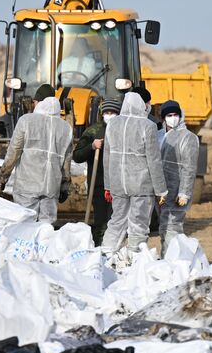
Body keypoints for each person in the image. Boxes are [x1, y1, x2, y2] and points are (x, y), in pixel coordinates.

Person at [102, 91, 167, 251]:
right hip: (141, 185)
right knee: (138, 223)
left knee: (117, 221)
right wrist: (161, 190)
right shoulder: (148, 126)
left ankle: (106, 253)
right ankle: (134, 257)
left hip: (118, 183)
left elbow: (107, 157)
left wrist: (108, 185)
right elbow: (154, 160)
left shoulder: (112, 124)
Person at [0, 93, 73, 222]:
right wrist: (65, 186)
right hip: (51, 187)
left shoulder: (26, 121)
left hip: (27, 186)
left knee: (25, 226)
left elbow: (14, 151)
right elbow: (66, 162)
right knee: (46, 229)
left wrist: (3, 176)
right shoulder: (66, 129)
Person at [74, 98, 117, 244]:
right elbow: (77, 156)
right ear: (102, 114)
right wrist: (91, 147)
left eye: (113, 112)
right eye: (107, 112)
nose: (109, 115)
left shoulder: (123, 130)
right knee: (100, 221)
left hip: (119, 185)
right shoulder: (93, 131)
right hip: (98, 184)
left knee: (116, 222)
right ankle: (99, 247)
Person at [158, 100, 199, 253]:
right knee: (164, 227)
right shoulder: (159, 135)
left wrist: (184, 193)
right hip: (161, 191)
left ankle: (173, 260)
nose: (173, 118)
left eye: (176, 114)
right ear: (163, 117)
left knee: (172, 227)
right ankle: (167, 258)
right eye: (169, 115)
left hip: (176, 192)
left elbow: (189, 168)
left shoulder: (187, 137)